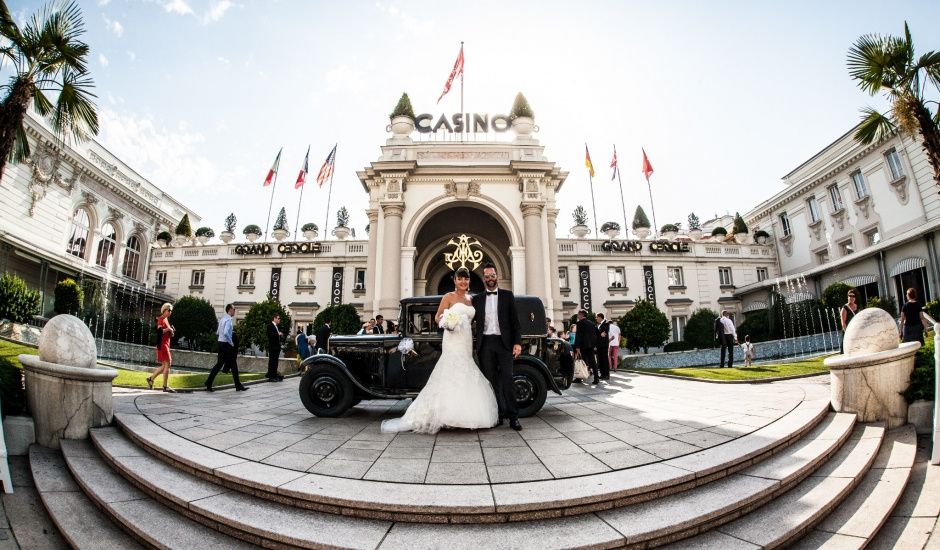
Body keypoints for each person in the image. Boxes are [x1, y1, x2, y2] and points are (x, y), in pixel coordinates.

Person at [382, 267, 498, 434]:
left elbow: (475, 320)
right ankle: (446, 415)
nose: (463, 282)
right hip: (452, 339)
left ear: (469, 281)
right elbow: (438, 317)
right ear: (455, 280)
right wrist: (447, 322)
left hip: (465, 340)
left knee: (466, 370)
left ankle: (464, 415)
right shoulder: (448, 297)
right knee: (451, 371)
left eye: (466, 279)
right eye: (460, 279)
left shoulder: (471, 299)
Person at [473, 262, 523, 431]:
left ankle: (514, 417)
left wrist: (517, 343)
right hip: (485, 343)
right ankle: (498, 415)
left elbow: (516, 323)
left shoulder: (508, 296)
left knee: (508, 379)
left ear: (497, 277)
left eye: (492, 276)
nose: (490, 279)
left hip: (504, 344)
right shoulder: (477, 299)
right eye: (487, 276)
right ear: (484, 279)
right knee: (491, 382)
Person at [205, 304, 247, 392]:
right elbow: (225, 333)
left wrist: (228, 333)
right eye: (234, 309)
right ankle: (238, 385)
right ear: (230, 310)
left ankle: (208, 382)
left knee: (219, 364)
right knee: (233, 365)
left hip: (220, 343)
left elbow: (218, 332)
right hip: (227, 344)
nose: (235, 311)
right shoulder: (228, 320)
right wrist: (231, 342)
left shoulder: (222, 319)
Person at [148, 303, 176, 392]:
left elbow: (166, 333)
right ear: (164, 310)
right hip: (163, 345)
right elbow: (160, 331)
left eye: (171, 311)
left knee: (165, 365)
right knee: (168, 363)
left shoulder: (166, 320)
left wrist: (171, 332)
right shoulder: (161, 319)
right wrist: (169, 329)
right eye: (169, 310)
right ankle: (165, 386)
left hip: (166, 344)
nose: (170, 312)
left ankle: (151, 379)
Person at [574, 309, 600, 384]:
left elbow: (578, 335)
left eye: (578, 314)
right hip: (590, 346)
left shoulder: (579, 323)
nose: (578, 316)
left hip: (582, 346)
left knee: (581, 361)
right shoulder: (591, 323)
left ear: (581, 315)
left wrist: (577, 347)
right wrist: (594, 344)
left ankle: (579, 378)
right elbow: (597, 334)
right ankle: (596, 378)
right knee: (592, 362)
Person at [840, 289, 859, 353]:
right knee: (846, 349)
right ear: (847, 297)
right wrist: (847, 334)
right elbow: (843, 323)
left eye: (853, 296)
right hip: (848, 331)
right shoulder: (844, 308)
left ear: (855, 298)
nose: (851, 297)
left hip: (855, 330)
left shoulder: (856, 306)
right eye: (850, 296)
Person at [266, 313, 284, 382]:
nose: (279, 320)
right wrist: (278, 334)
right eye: (278, 318)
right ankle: (271, 377)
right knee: (272, 361)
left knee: (275, 362)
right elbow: (270, 335)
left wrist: (280, 335)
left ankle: (274, 375)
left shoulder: (276, 326)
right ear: (274, 318)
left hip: (277, 347)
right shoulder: (270, 326)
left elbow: (276, 336)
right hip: (272, 347)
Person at [595, 312, 611, 380]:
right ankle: (602, 374)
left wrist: (601, 334)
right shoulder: (598, 325)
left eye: (597, 317)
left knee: (604, 359)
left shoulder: (606, 324)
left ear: (600, 317)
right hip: (599, 345)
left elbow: (604, 334)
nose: (596, 318)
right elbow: (599, 334)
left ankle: (606, 374)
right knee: (600, 360)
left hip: (604, 345)